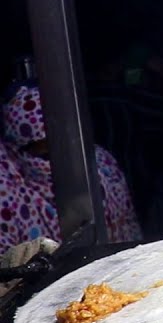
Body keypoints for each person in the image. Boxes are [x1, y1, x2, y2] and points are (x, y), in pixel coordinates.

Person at [1, 83, 142, 250]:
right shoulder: (7, 192)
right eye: (44, 155)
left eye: (65, 147)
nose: (53, 164)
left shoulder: (103, 165)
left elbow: (127, 225)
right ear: (17, 148)